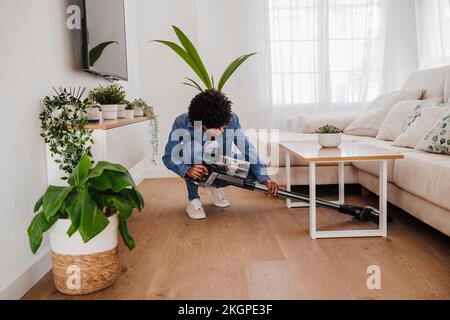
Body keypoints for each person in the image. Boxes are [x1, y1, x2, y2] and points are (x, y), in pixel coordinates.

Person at [163, 89, 279, 220]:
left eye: (223, 126)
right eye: (218, 127)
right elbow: (168, 157)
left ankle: (214, 185)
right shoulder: (182, 122)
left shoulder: (231, 119)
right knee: (191, 152)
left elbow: (247, 149)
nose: (223, 130)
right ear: (202, 124)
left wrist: (265, 178)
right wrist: (187, 170)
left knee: (255, 171)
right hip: (196, 165)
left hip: (220, 163)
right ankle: (193, 200)